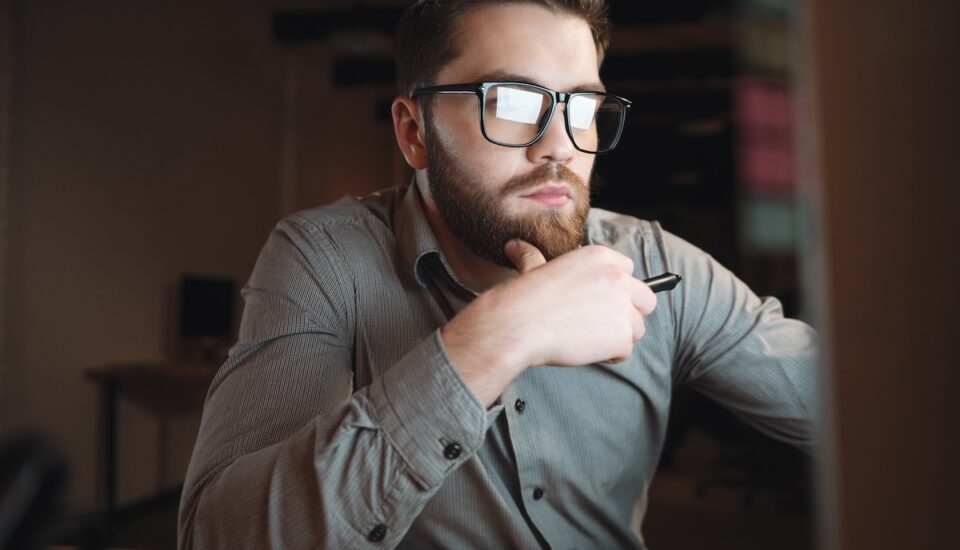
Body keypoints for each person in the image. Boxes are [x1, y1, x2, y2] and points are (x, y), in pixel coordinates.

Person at [178, 1, 819, 548]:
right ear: (414, 132)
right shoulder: (324, 257)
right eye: (512, 101)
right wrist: (495, 339)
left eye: (582, 107)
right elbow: (218, 536)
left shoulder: (658, 266)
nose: (560, 145)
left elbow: (862, 412)